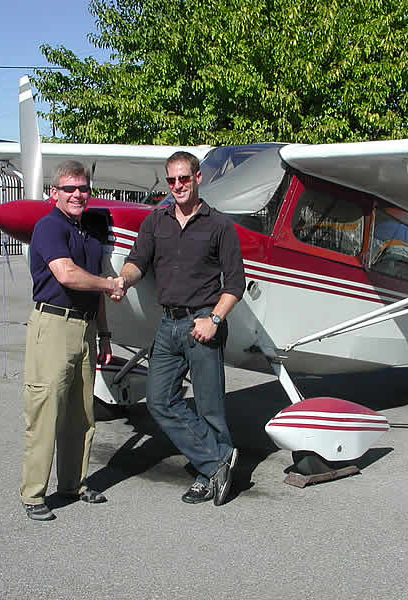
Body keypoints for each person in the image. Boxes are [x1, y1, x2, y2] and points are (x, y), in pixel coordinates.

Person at [116, 151, 246, 506]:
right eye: (171, 180)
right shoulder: (155, 222)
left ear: (198, 178)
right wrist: (123, 281)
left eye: (183, 179)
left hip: (202, 321)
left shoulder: (219, 225)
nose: (177, 186)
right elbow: (137, 261)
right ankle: (218, 461)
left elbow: (236, 283)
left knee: (210, 408)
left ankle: (209, 476)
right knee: (159, 401)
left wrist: (214, 320)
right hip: (168, 324)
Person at [20, 160, 125, 521]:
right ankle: (33, 495)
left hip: (86, 328)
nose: (77, 194)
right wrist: (111, 284)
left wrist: (106, 334)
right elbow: (67, 275)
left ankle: (73, 484)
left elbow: (92, 289)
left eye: (82, 188)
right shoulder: (48, 227)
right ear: (54, 193)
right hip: (53, 325)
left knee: (82, 414)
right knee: (45, 413)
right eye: (69, 189)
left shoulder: (89, 233)